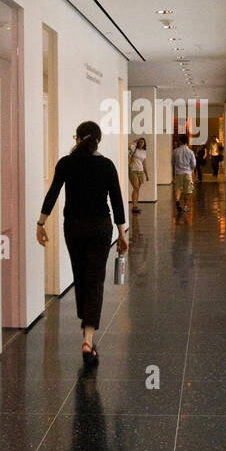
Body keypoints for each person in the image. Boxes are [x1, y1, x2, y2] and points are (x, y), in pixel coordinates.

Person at [37, 121, 128, 365]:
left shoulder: (66, 163)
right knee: (95, 279)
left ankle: (85, 325)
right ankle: (88, 337)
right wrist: (122, 233)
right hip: (100, 228)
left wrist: (40, 223)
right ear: (97, 140)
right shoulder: (107, 165)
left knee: (81, 276)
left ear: (77, 138)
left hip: (74, 228)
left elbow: (53, 193)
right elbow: (117, 201)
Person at [171, 133, 197, 214]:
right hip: (187, 173)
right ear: (187, 142)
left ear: (180, 141)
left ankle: (178, 200)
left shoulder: (175, 151)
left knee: (178, 188)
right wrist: (191, 169)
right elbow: (194, 164)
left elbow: (172, 162)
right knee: (187, 190)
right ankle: (185, 206)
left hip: (178, 173)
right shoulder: (190, 152)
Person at [128, 137, 147, 214]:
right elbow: (127, 145)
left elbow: (144, 163)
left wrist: (147, 174)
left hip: (141, 171)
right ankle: (134, 206)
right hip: (133, 170)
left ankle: (135, 205)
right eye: (140, 142)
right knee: (135, 188)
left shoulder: (144, 152)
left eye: (143, 142)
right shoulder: (134, 149)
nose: (141, 143)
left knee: (137, 189)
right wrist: (135, 140)